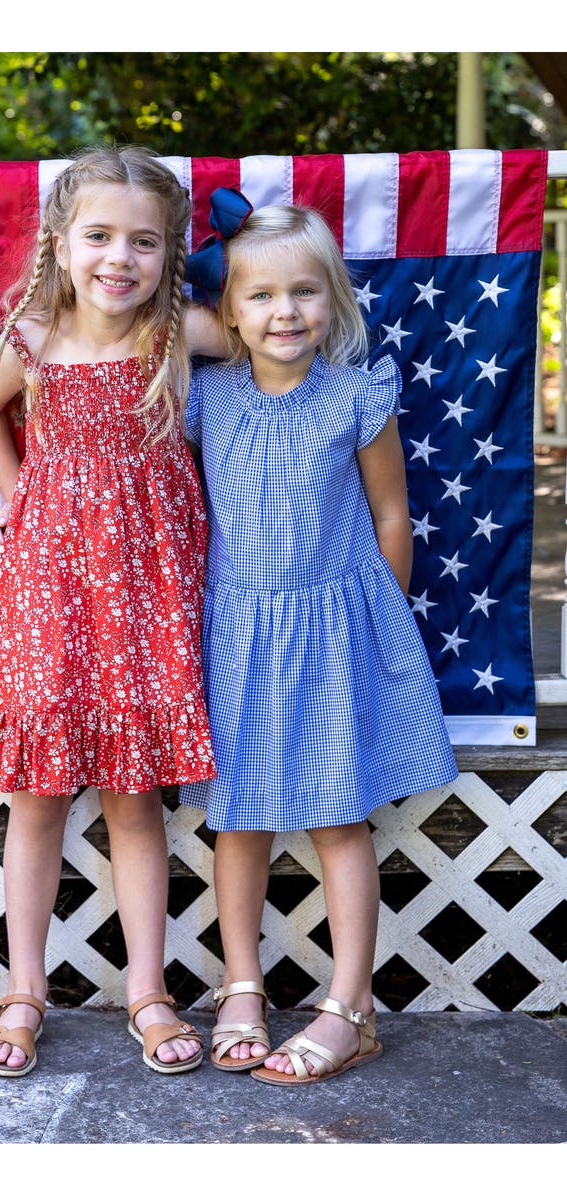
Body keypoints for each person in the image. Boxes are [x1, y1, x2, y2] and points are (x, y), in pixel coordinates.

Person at [0, 146, 226, 1078]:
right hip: (51, 591)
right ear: (60, 244)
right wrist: (21, 489)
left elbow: (276, 340)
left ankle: (147, 989)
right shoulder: (28, 340)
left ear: (171, 253)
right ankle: (22, 989)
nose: (120, 258)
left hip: (148, 593)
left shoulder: (181, 332)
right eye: (100, 236)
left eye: (144, 241)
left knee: (134, 800)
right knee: (37, 802)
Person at [180, 189, 459, 1085]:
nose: (284, 312)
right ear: (227, 312)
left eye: (304, 292)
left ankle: (349, 1004)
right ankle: (242, 985)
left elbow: (391, 518)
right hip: (238, 634)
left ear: (333, 302)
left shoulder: (354, 397)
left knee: (341, 819)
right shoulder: (205, 397)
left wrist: (379, 626)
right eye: (259, 295)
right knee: (242, 821)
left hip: (335, 630)